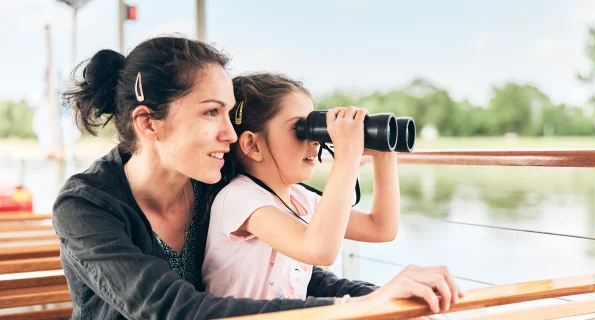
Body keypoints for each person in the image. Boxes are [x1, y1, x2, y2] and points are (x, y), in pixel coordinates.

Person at [54, 35, 463, 320]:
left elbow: (288, 273)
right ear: (148, 123)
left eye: (229, 114)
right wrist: (355, 309)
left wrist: (380, 298)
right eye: (211, 112)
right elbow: (170, 311)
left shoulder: (212, 180)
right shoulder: (85, 207)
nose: (231, 135)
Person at [202, 73, 400, 301]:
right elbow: (318, 250)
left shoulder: (299, 199)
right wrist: (347, 157)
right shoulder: (238, 198)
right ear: (252, 145)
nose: (315, 140)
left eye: (315, 128)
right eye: (300, 129)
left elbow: (381, 228)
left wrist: (384, 154)